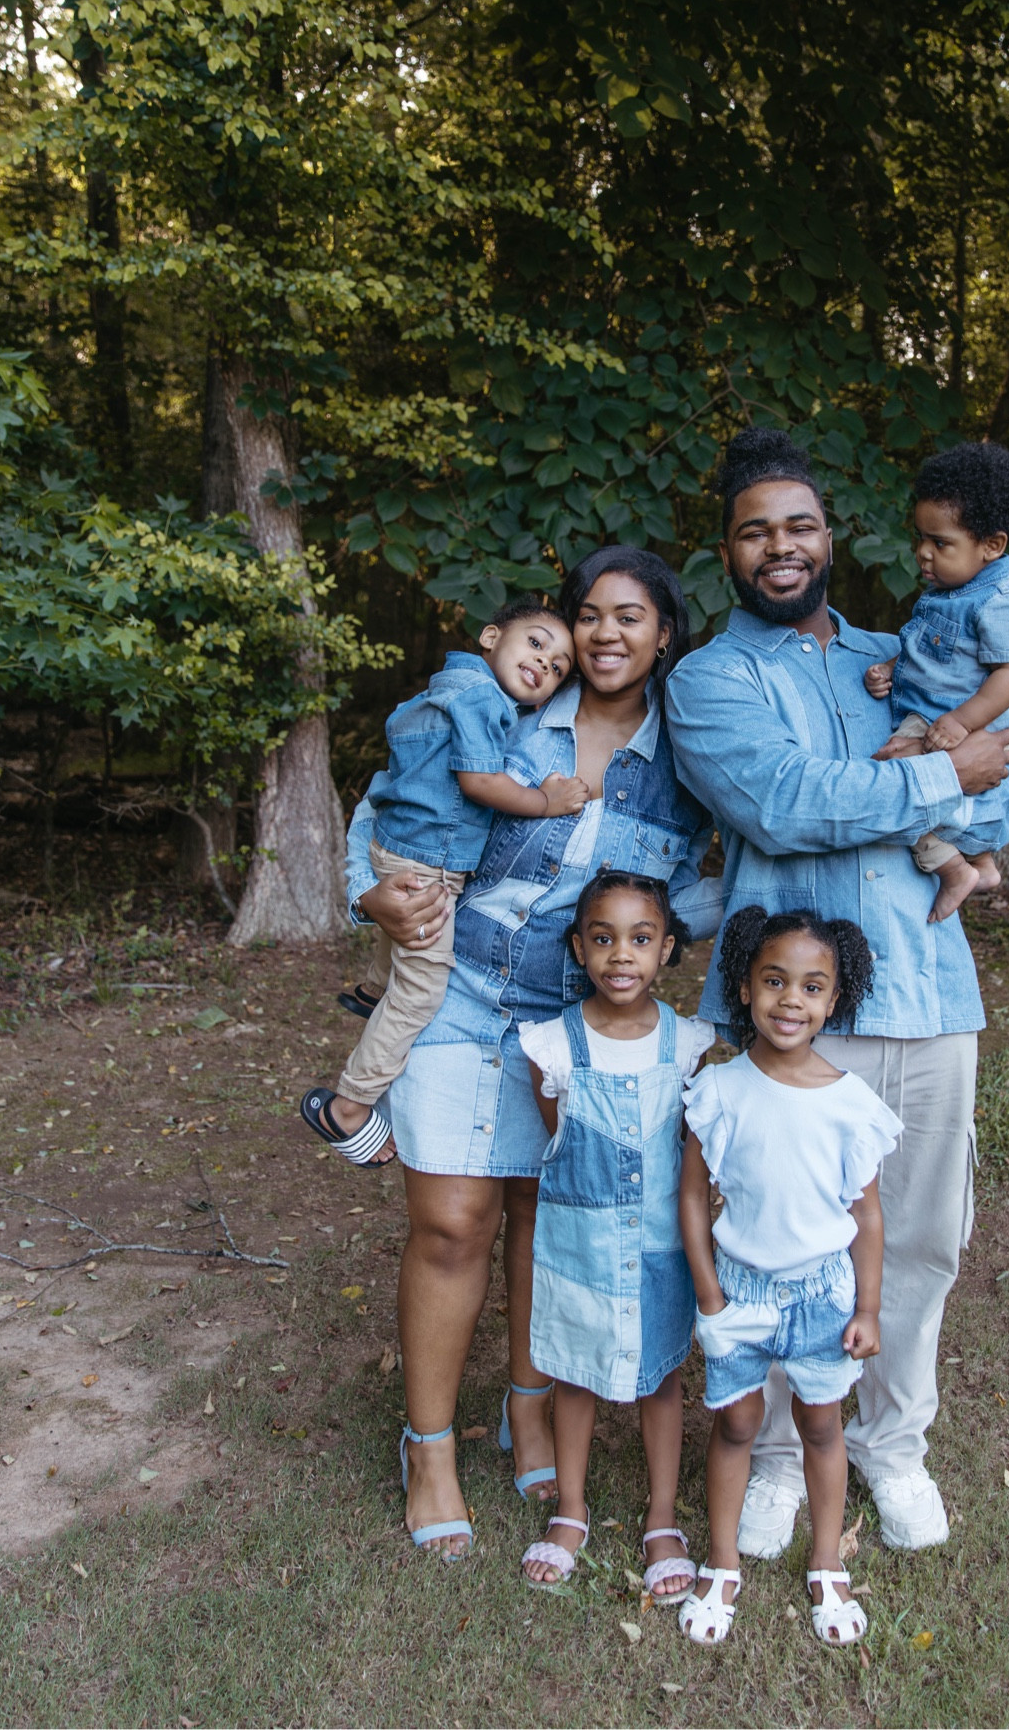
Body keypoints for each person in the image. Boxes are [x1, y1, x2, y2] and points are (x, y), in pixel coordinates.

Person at [664, 426, 1009, 1557]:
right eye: (755, 530)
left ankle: (892, 1444)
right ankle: (777, 1455)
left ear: (829, 537)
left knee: (921, 1238)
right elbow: (783, 805)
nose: (781, 545)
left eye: (801, 524)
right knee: (777, 1245)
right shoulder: (709, 681)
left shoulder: (900, 655)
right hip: (791, 1016)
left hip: (928, 991)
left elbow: (1007, 778)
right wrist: (939, 776)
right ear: (726, 550)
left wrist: (960, 790)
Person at [343, 547, 721, 1558]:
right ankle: (428, 1448)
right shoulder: (505, 704)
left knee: (541, 1218)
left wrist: (687, 937)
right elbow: (386, 801)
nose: (603, 633)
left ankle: (528, 1405)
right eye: (587, 613)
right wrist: (368, 892)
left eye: (629, 617)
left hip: (581, 1015)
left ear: (665, 636)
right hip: (460, 987)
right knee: (453, 1221)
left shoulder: (688, 750)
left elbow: (723, 867)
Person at [679, 907, 899, 1647]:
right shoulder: (719, 1090)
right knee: (736, 1423)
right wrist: (709, 1293)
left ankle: (827, 1562)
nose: (790, 1001)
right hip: (738, 1291)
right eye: (774, 981)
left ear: (834, 1000)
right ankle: (721, 1562)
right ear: (745, 988)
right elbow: (691, 1197)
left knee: (821, 1425)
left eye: (812, 987)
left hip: (822, 1296)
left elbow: (867, 1216)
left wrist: (868, 1307)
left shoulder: (850, 1105)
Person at [301, 598, 586, 1166]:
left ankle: (373, 988)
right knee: (422, 991)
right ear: (490, 636)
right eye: (535, 643)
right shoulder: (481, 699)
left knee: (402, 950)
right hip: (428, 866)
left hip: (397, 846)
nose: (544, 663)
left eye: (558, 667)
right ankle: (349, 1107)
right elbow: (479, 781)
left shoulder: (444, 688)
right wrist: (545, 801)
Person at [515, 871, 714, 1595]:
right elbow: (560, 1140)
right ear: (579, 948)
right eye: (602, 939)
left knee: (662, 1377)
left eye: (640, 938)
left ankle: (662, 1514)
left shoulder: (686, 1043)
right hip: (581, 1252)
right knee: (576, 1376)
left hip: (660, 1248)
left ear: (666, 949)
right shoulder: (551, 1046)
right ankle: (570, 1508)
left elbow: (689, 1154)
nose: (621, 955)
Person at [862, 442, 1009, 923]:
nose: (923, 552)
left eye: (940, 543)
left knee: (890, 789)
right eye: (920, 538)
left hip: (953, 723)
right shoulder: (946, 592)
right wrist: (892, 667)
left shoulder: (997, 600)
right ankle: (983, 864)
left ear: (991, 546)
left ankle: (955, 870)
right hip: (932, 715)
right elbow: (930, 650)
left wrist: (961, 721)